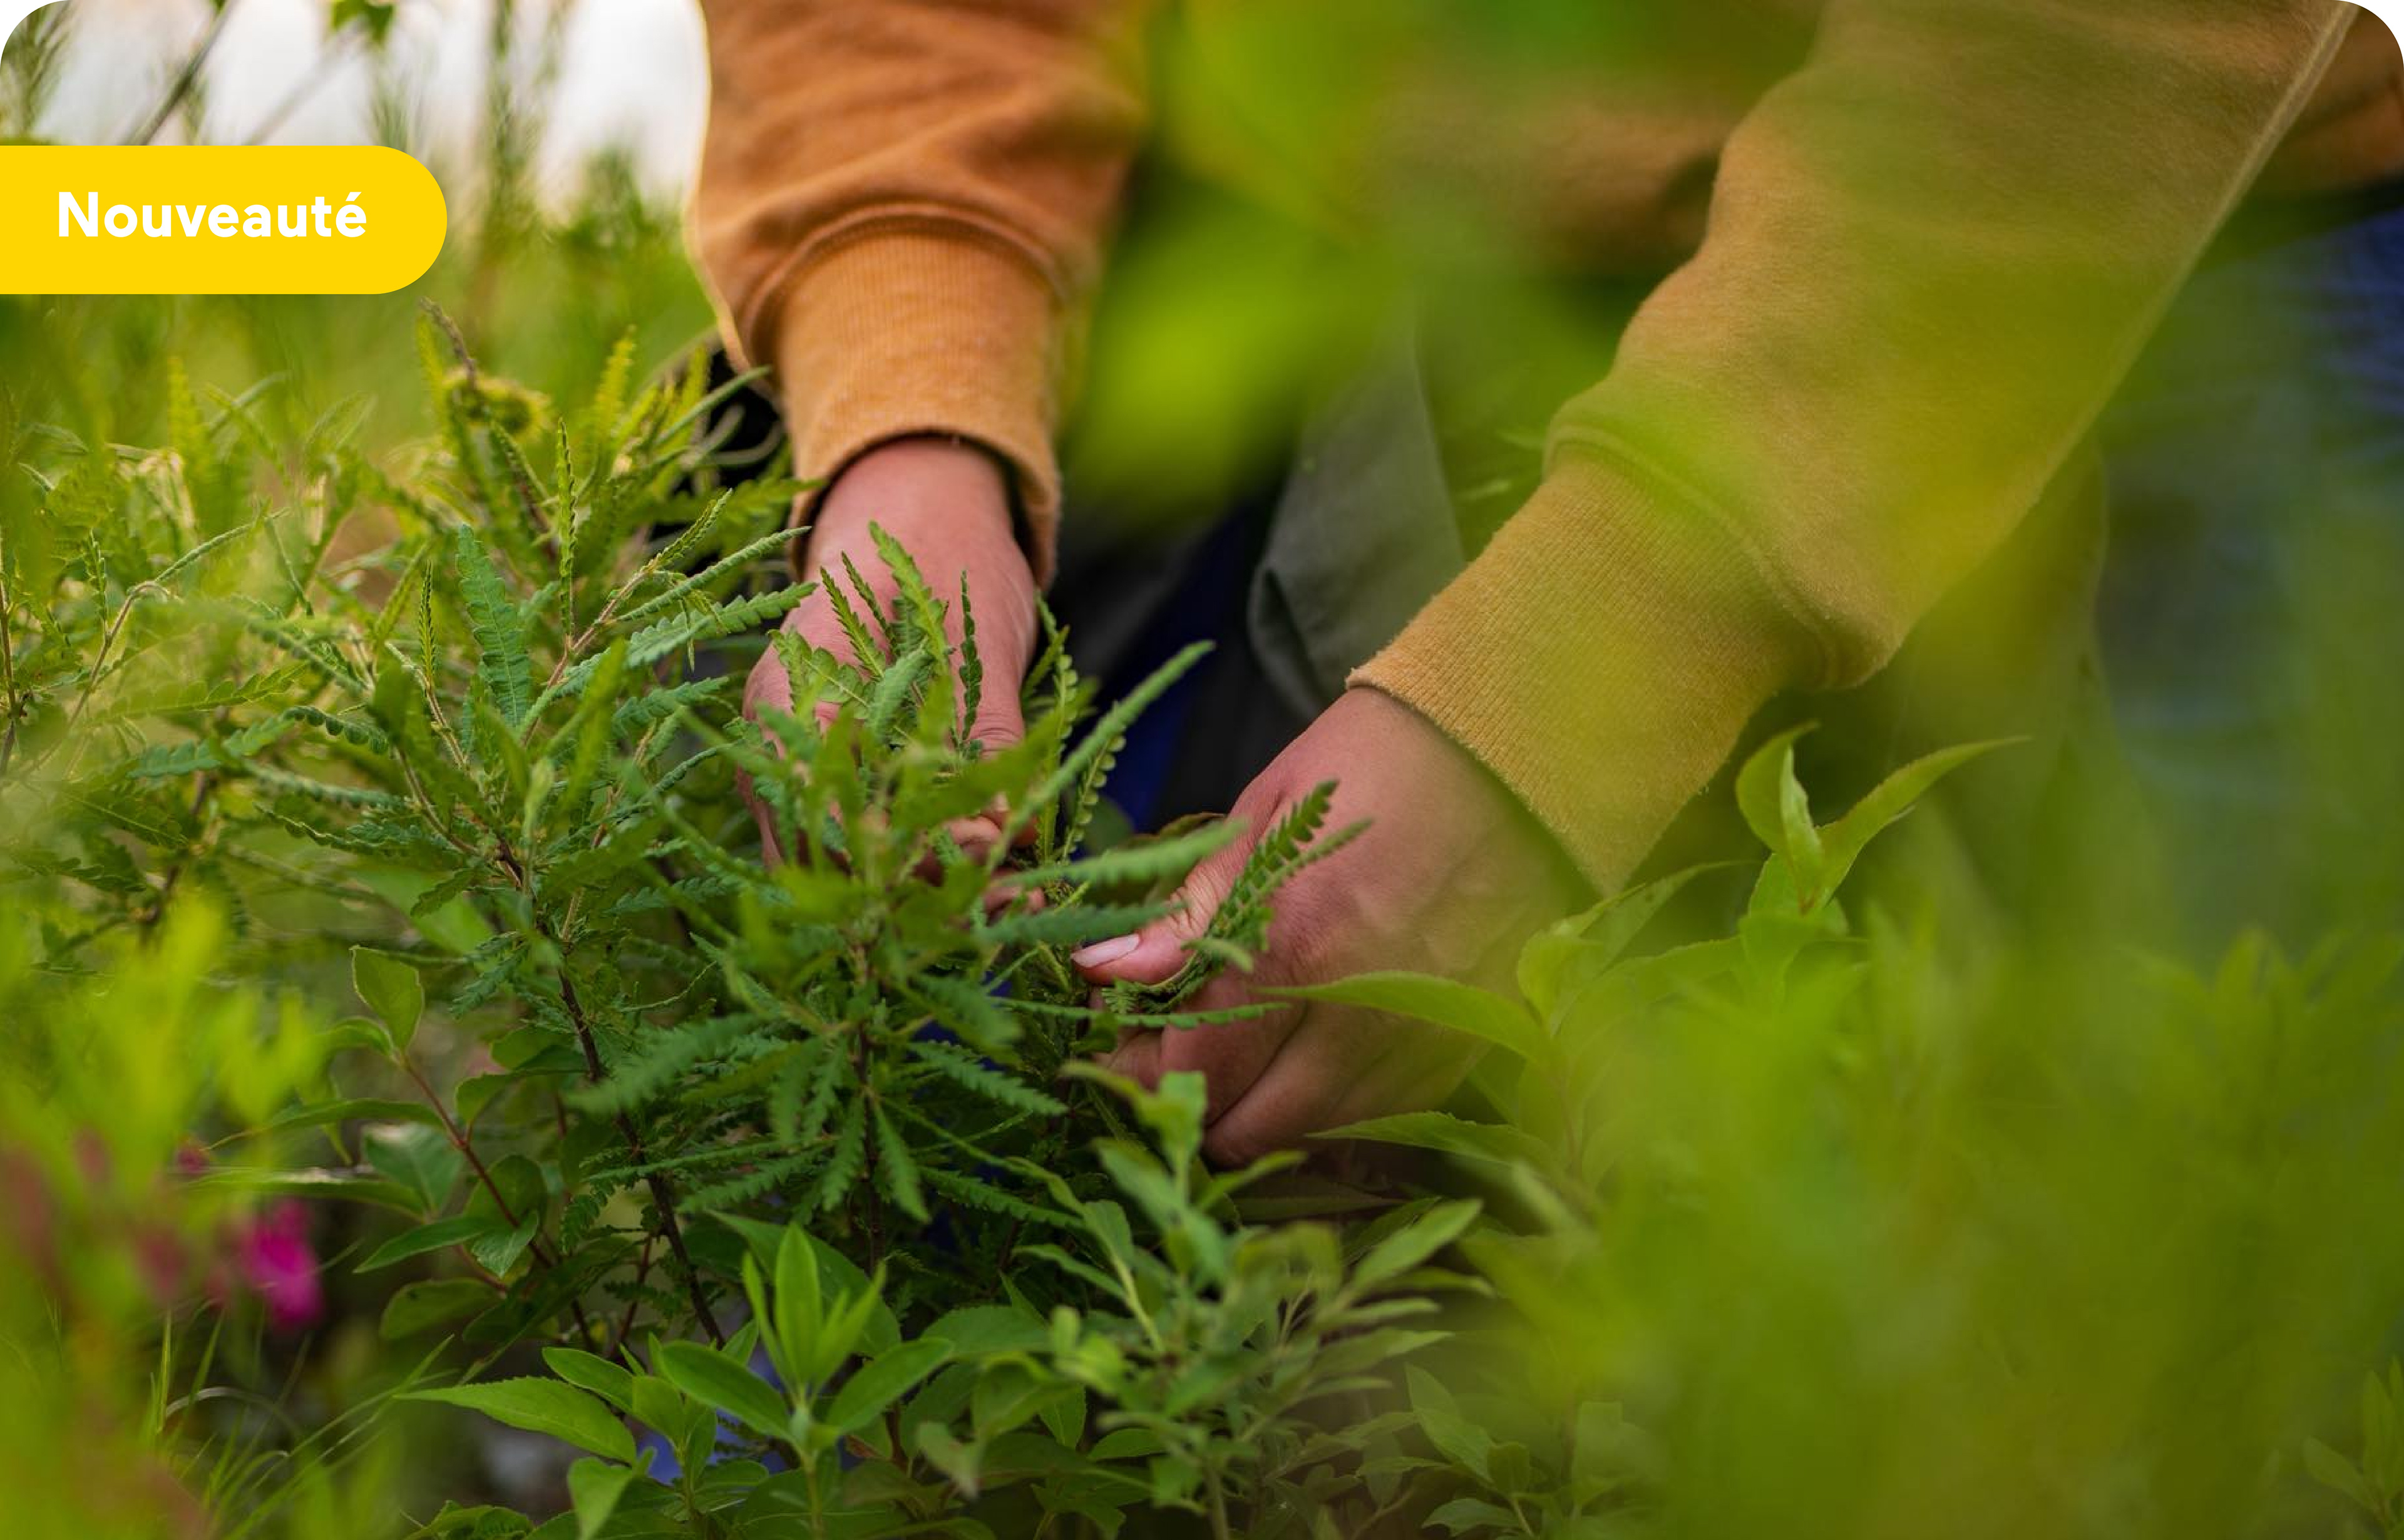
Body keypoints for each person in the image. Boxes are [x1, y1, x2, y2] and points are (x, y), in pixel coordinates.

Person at [691, 0, 2404, 1163]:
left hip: (2140, 247)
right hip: (1289, 254)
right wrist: (912, 430)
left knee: (2181, 1268)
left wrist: (1568, 686)